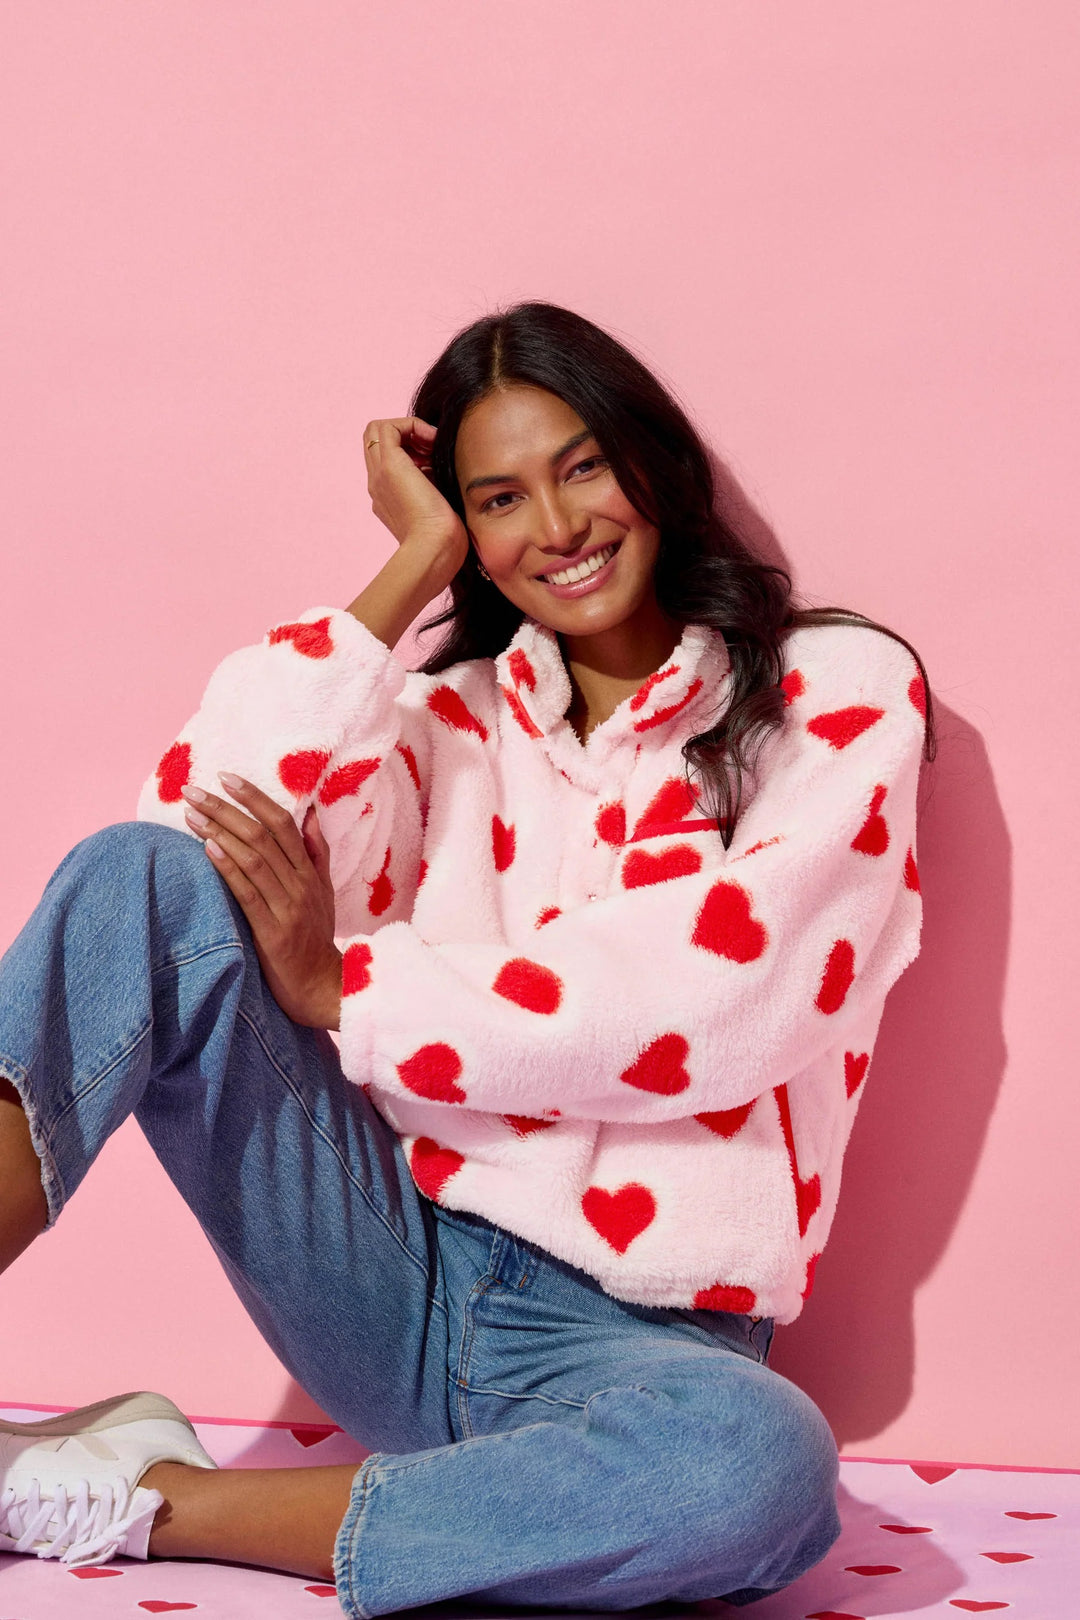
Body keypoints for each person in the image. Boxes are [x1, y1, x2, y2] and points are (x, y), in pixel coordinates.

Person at [0, 301, 934, 1614]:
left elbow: (729, 995)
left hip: (638, 1350)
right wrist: (405, 573)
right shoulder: (446, 723)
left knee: (756, 1469)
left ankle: (140, 1500)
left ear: (651, 462)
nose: (554, 528)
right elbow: (195, 829)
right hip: (392, 1268)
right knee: (137, 873)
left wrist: (350, 989)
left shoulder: (834, 689)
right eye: (497, 500)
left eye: (581, 467)